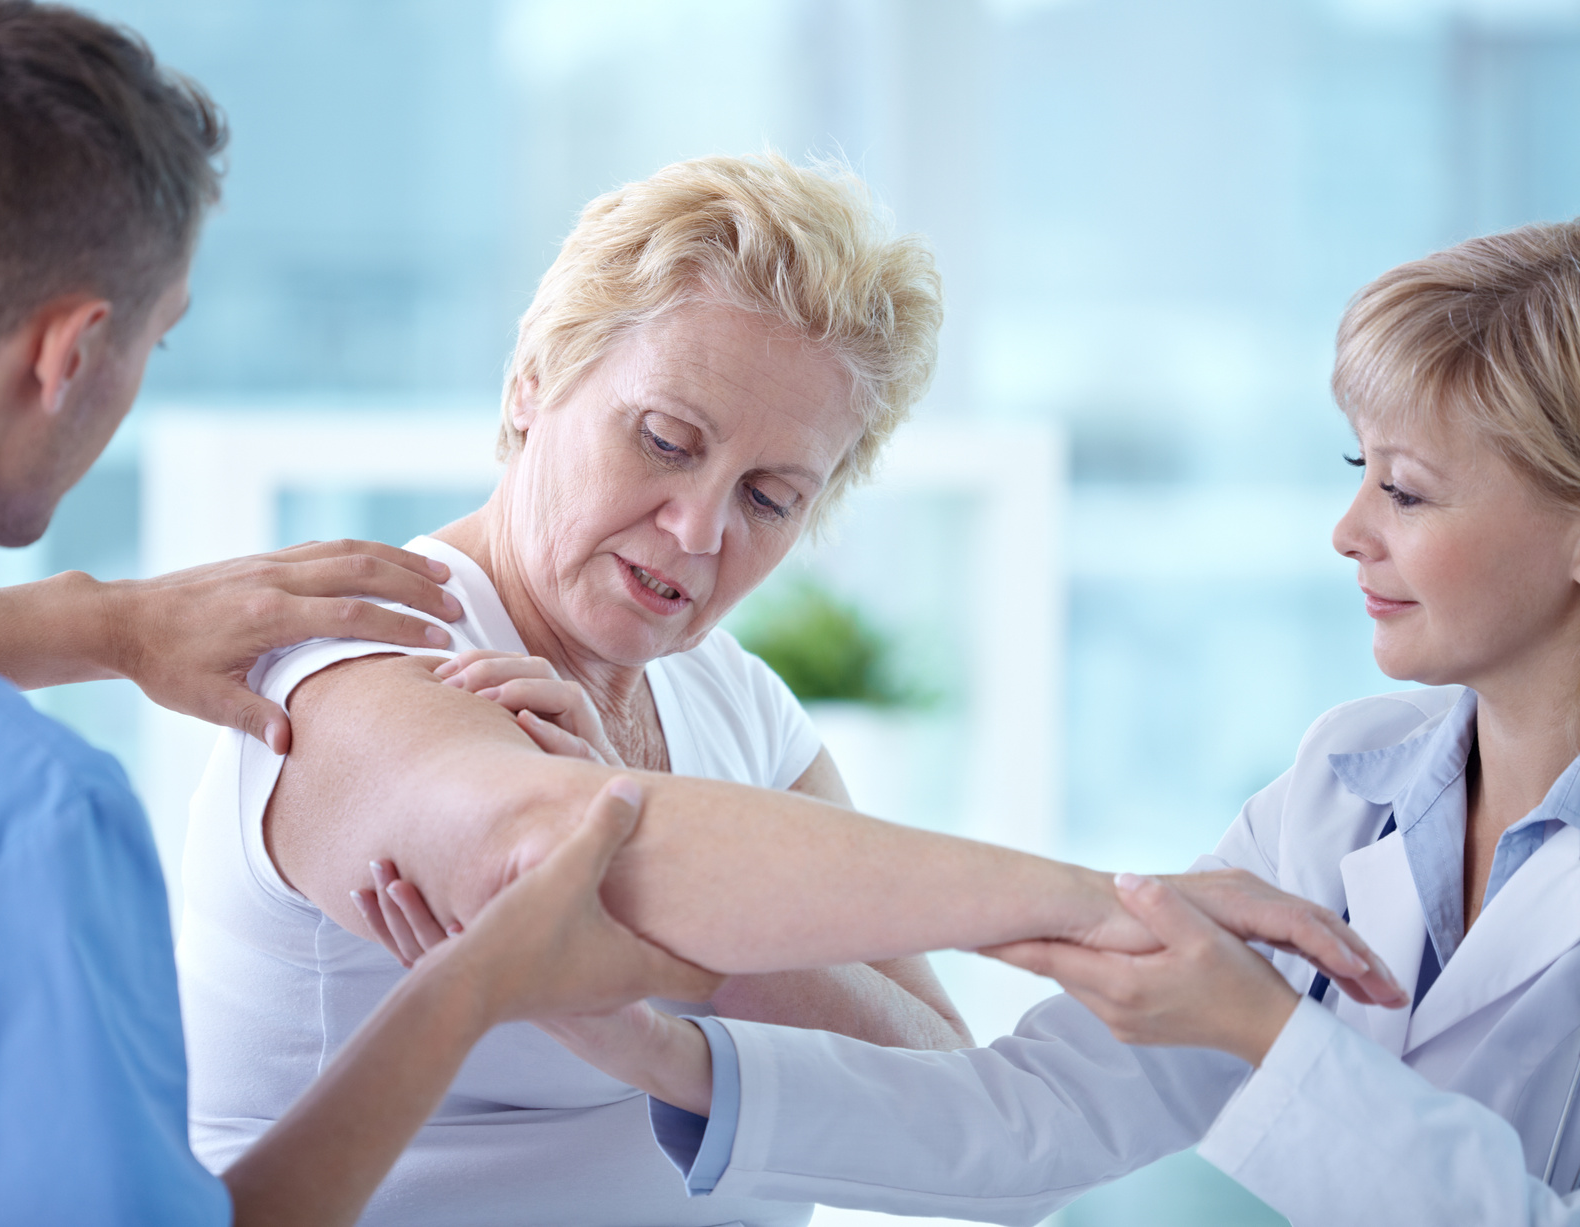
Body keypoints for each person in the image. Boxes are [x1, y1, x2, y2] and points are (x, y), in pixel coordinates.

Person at [176, 153, 1403, 1226]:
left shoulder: (730, 700)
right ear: (532, 385)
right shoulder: (370, 659)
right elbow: (550, 855)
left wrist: (651, 869)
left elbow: (937, 1084)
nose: (699, 528)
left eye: (771, 497)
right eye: (663, 440)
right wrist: (1093, 907)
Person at [0, 4, 717, 1223]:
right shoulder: (18, 825)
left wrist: (102, 623)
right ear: (71, 354)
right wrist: (469, 988)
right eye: (159, 336)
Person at [448, 220, 1580, 1227]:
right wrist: (647, 1047)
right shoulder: (1343, 788)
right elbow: (1032, 1122)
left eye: (1408, 490)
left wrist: (1263, 1035)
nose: (1346, 530)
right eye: (1357, 470)